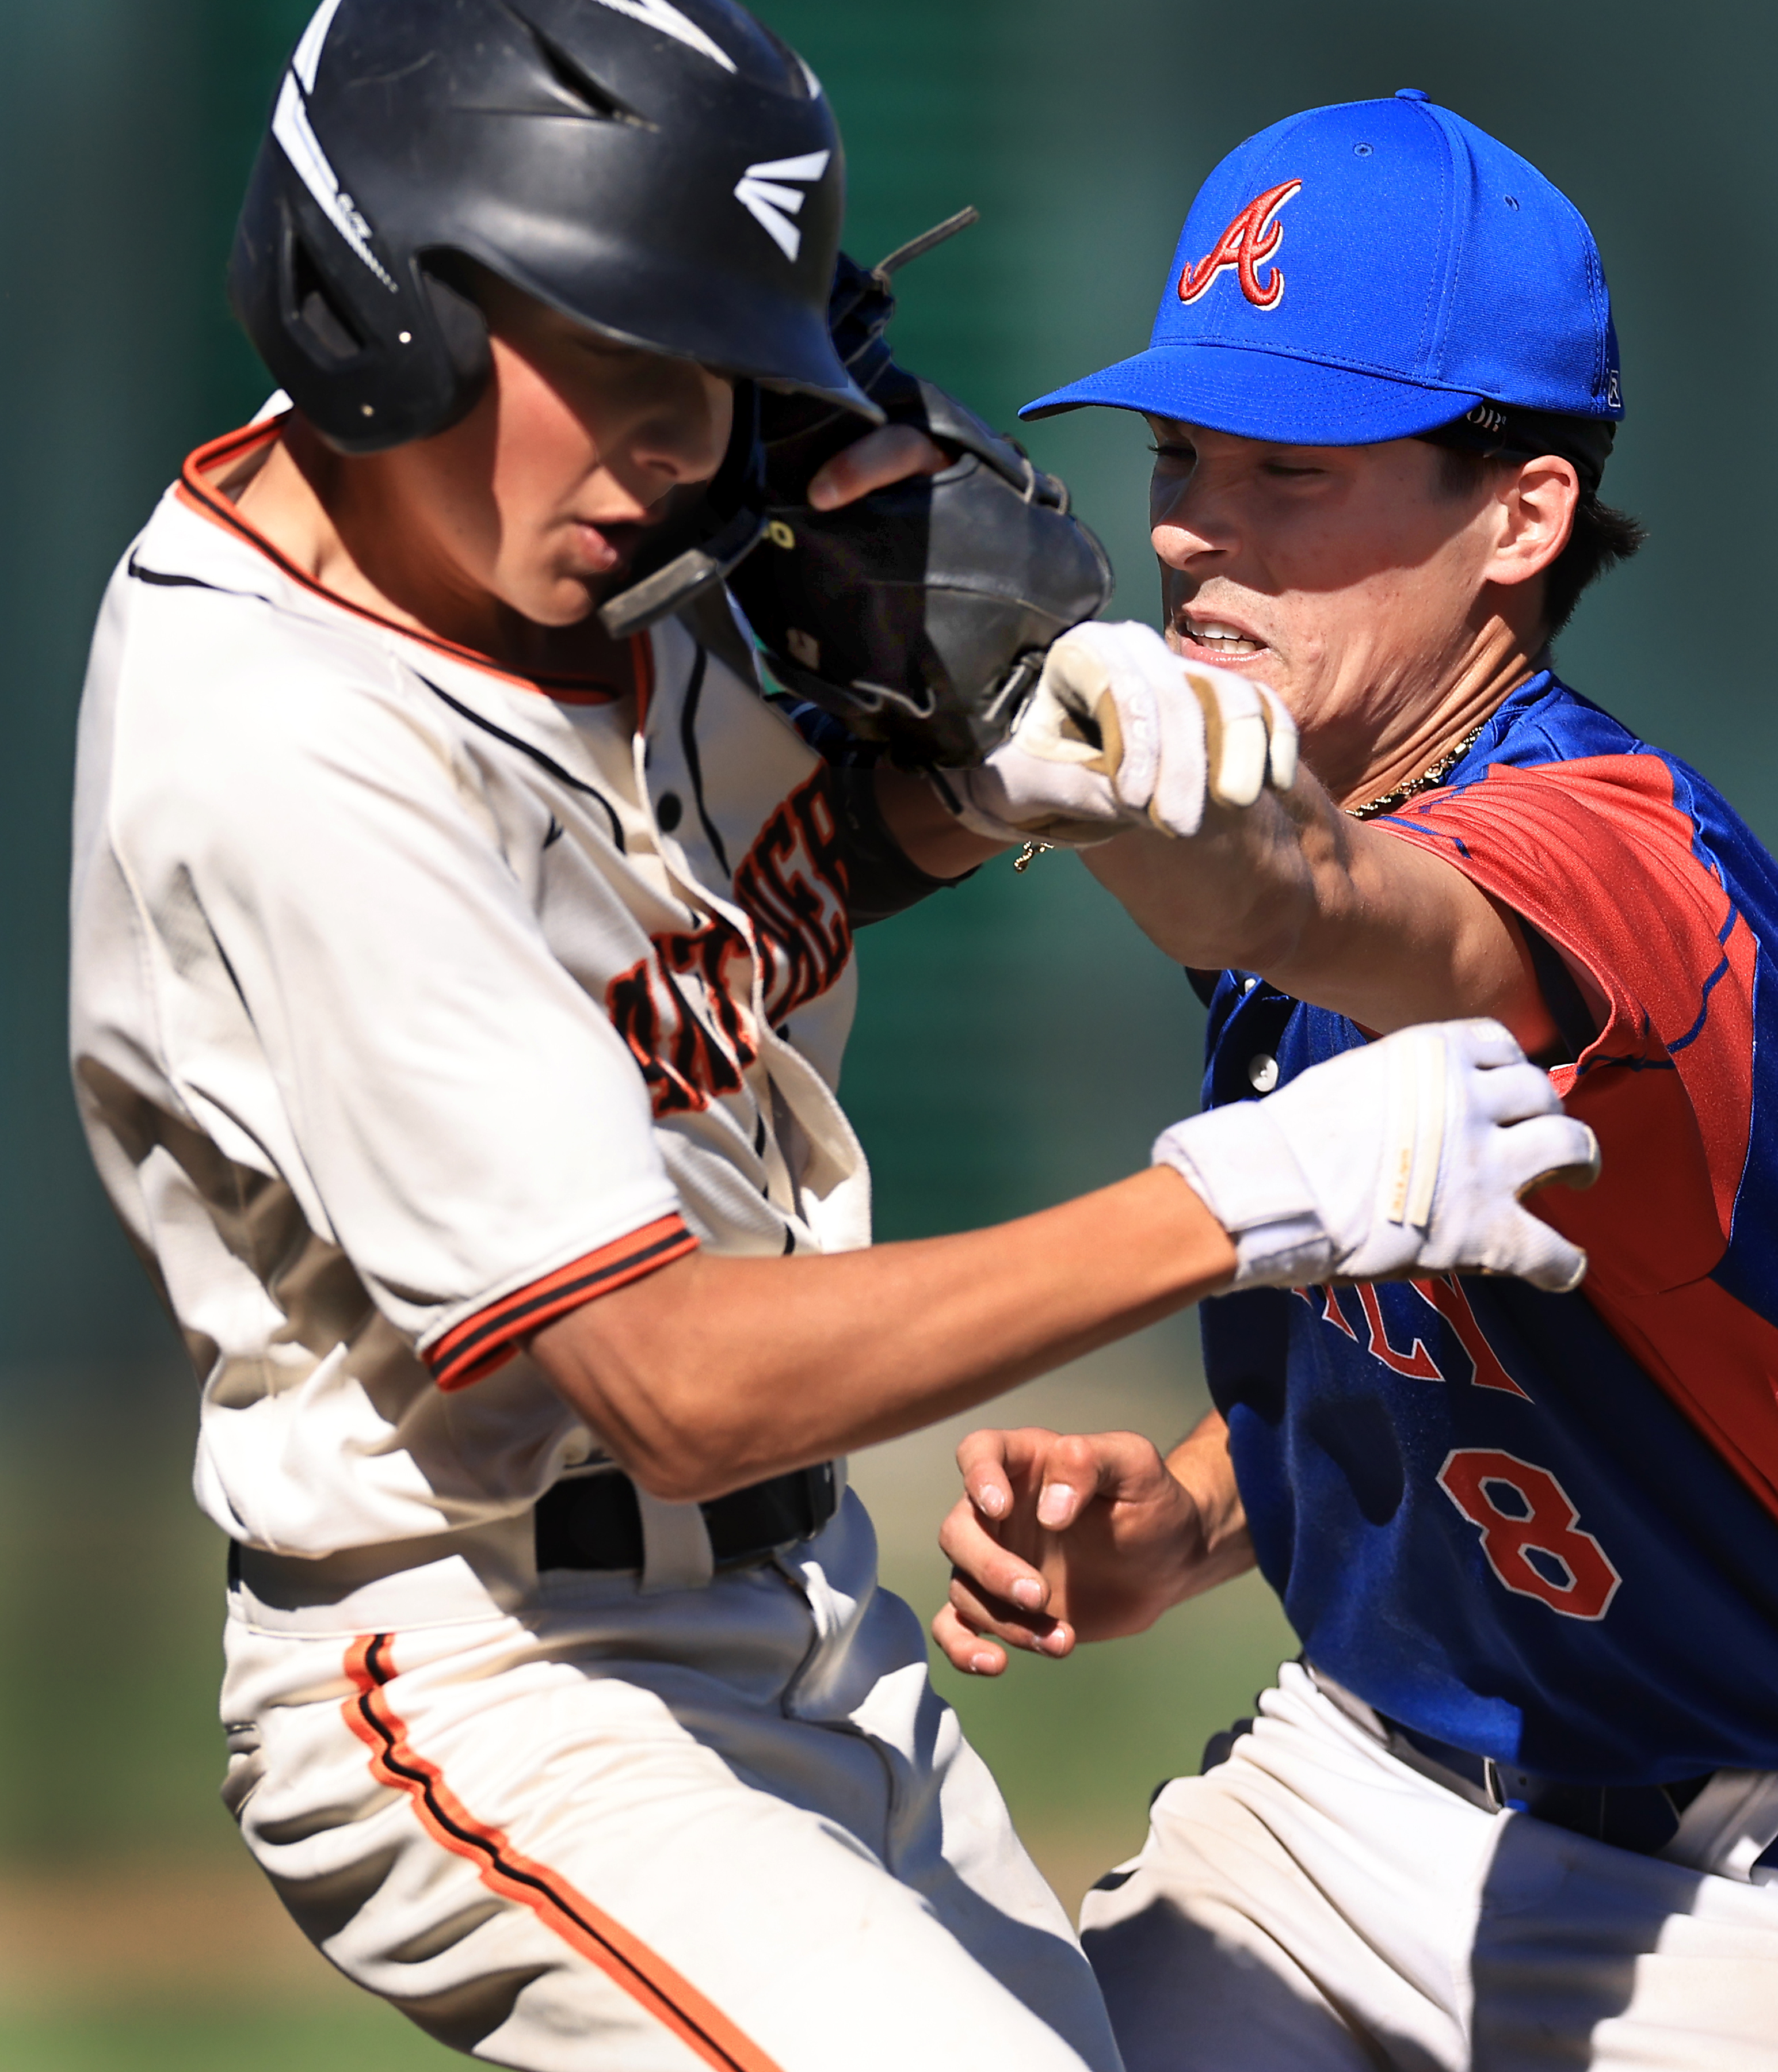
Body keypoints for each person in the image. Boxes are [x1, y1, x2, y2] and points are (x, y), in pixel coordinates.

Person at [67, 18, 1592, 2069]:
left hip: (793, 1624)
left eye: (721, 376)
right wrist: (1243, 1202)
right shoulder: (289, 749)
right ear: (373, 302)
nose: (678, 444)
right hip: (499, 1657)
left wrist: (993, 783)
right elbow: (668, 1386)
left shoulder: (571, 555)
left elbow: (745, 909)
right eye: (614, 357)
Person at [934, 87, 1778, 2071]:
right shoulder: (1340, 768)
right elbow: (1459, 1340)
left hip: (1720, 1901)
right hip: (1334, 1811)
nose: (1181, 529)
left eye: (1286, 471)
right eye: (1177, 455)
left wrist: (1057, 746)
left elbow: (1315, 900)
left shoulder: (1617, 868)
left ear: (1522, 514)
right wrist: (1195, 1516)